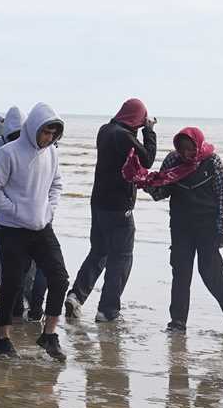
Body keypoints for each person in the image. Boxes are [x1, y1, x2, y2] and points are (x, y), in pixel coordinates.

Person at [128, 127, 223, 334]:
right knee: (181, 273)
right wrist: (144, 181)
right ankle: (177, 323)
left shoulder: (212, 162)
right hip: (181, 226)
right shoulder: (172, 162)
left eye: (190, 149)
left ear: (198, 145)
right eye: (182, 149)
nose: (186, 154)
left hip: (208, 227)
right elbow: (161, 192)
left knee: (212, 273)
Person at [0, 103, 70, 360]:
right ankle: (3, 339)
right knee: (12, 284)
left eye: (54, 134)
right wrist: (14, 210)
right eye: (46, 132)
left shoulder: (52, 152)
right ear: (33, 129)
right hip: (12, 228)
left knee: (60, 277)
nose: (49, 138)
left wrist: (49, 209)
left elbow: (56, 184)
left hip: (42, 227)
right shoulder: (8, 153)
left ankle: (49, 334)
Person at [66, 97, 157, 322]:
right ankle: (108, 310)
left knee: (99, 251)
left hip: (98, 202)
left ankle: (76, 296)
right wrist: (149, 131)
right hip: (119, 207)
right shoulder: (124, 136)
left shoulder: (105, 130)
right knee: (122, 257)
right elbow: (148, 160)